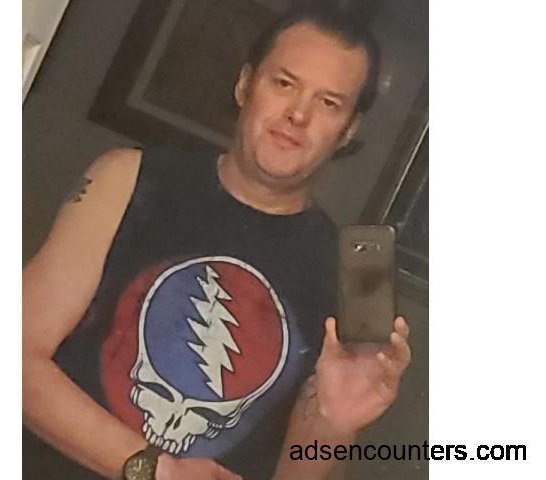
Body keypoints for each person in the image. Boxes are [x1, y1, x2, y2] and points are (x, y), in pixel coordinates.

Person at [23, 4, 411, 480]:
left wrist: (335, 425)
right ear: (245, 85)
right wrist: (157, 471)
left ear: (347, 130)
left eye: (328, 103)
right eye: (284, 83)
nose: (297, 114)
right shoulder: (127, 178)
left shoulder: (351, 275)